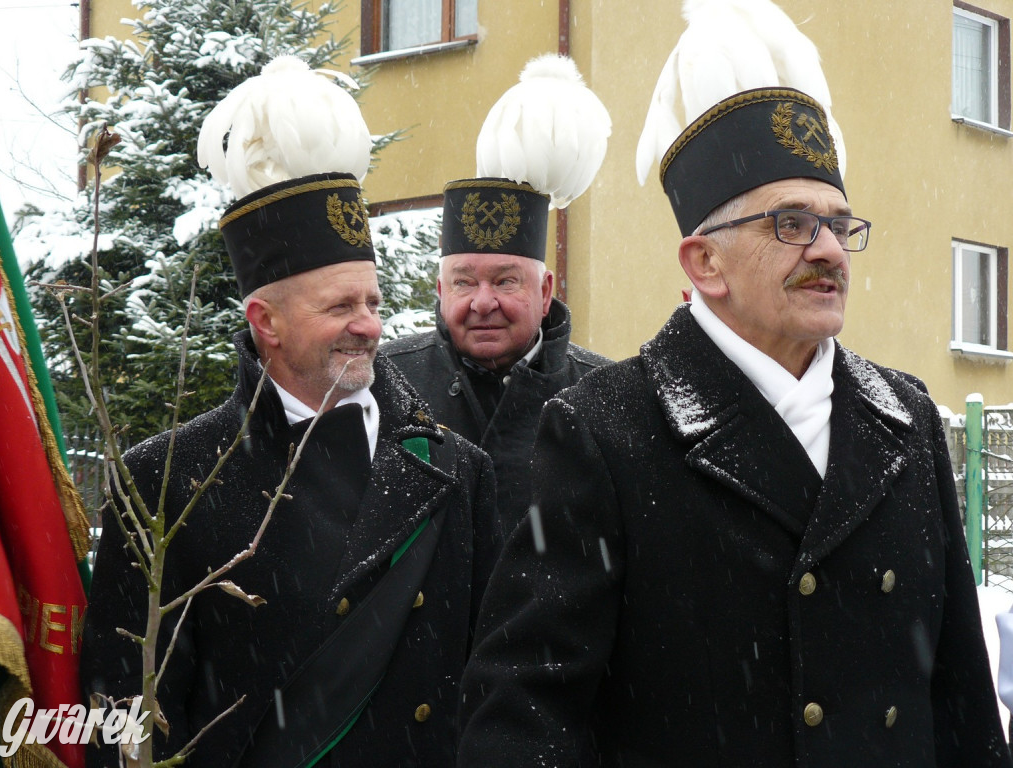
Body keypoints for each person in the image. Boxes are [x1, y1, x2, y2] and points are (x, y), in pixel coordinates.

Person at [456, 86, 1013, 767]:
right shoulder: (604, 429)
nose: (829, 251)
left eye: (839, 226)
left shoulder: (906, 416)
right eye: (790, 223)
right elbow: (523, 712)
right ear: (704, 263)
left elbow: (962, 698)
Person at [81, 57, 500, 767]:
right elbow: (122, 714)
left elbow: (497, 689)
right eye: (340, 306)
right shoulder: (165, 480)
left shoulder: (457, 470)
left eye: (371, 302)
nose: (369, 325)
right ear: (265, 322)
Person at [382, 54, 610, 535]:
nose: (482, 302)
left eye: (506, 281)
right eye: (464, 282)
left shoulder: (606, 395)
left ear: (545, 292)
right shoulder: (383, 383)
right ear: (441, 290)